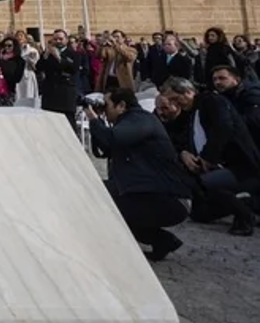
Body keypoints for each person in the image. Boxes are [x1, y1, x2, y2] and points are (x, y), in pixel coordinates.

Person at [87, 88, 190, 261]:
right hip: (149, 192)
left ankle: (106, 252)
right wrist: (97, 122)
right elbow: (106, 148)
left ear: (121, 105)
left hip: (169, 197)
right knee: (100, 194)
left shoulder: (141, 119)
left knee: (100, 198)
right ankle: (163, 241)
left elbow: (112, 139)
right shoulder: (130, 121)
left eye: (107, 105)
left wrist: (94, 119)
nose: (104, 109)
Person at [160, 77, 258, 236]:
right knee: (198, 211)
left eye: (176, 99)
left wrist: (208, 157)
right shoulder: (191, 113)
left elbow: (223, 127)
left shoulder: (211, 101)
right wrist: (184, 154)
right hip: (213, 166)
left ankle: (245, 212)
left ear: (189, 92)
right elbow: (180, 139)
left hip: (239, 166)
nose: (175, 104)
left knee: (200, 185)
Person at [37, 29, 80, 129]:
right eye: (55, 39)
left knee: (68, 123)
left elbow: (73, 69)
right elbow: (38, 67)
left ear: (66, 40)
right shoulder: (47, 53)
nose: (58, 41)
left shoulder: (73, 53)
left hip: (65, 92)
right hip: (50, 92)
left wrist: (59, 58)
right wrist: (46, 56)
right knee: (50, 124)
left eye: (61, 39)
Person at [211, 63, 260, 148]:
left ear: (236, 79)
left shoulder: (252, 93)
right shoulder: (226, 95)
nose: (217, 82)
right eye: (214, 79)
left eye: (222, 78)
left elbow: (254, 118)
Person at [0, 38, 24, 107]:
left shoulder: (19, 60)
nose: (6, 47)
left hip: (9, 90)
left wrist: (3, 71)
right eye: (5, 45)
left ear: (14, 46)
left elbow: (17, 78)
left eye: (9, 45)